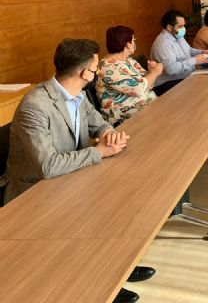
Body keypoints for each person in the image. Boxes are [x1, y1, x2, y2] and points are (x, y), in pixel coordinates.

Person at [2, 38, 149, 303]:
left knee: (118, 202)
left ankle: (118, 269)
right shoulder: (36, 105)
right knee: (98, 211)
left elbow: (99, 124)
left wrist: (110, 134)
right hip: (35, 192)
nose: (98, 72)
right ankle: (100, 284)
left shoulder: (77, 95)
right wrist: (99, 152)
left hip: (70, 178)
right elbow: (47, 166)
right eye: (95, 68)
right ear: (84, 73)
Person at [96, 26, 163, 126]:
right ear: (127, 44)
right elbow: (139, 89)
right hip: (126, 117)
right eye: (133, 40)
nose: (134, 43)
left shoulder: (129, 60)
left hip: (147, 106)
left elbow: (148, 84)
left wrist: (151, 71)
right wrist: (154, 73)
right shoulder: (108, 67)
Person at [150, 9, 208, 96]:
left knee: (207, 81)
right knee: (201, 88)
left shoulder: (177, 35)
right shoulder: (163, 44)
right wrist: (194, 60)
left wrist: (201, 52)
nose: (183, 29)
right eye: (180, 26)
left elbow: (188, 50)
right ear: (169, 27)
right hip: (166, 83)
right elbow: (171, 69)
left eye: (183, 26)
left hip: (183, 76)